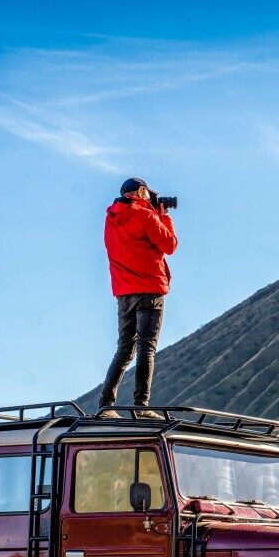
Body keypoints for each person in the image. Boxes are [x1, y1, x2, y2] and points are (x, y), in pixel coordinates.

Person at [97, 177, 178, 417]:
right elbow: (170, 244)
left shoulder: (110, 219)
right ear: (141, 191)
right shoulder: (146, 216)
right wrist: (164, 216)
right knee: (146, 348)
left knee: (124, 348)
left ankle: (106, 405)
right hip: (150, 289)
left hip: (124, 292)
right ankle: (141, 406)